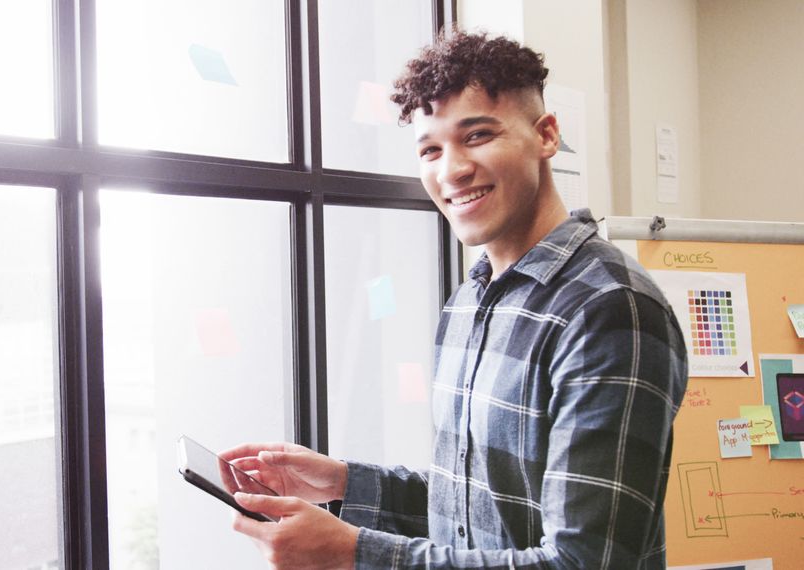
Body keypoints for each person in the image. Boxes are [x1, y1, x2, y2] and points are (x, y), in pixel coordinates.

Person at [221, 29, 688, 569]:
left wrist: (353, 552)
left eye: (478, 136)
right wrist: (341, 484)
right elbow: (474, 507)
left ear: (547, 136)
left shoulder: (612, 309)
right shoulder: (472, 298)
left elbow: (583, 563)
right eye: (430, 150)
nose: (451, 170)